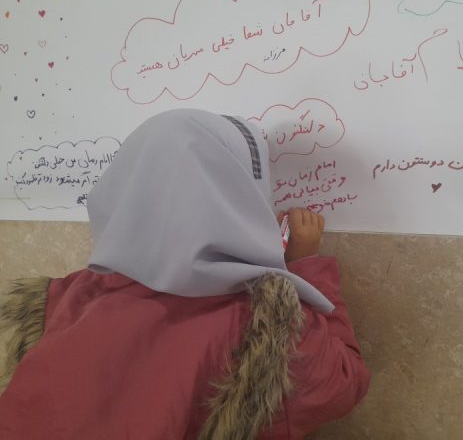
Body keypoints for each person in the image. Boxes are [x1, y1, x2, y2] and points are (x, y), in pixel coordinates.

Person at [0, 109, 370, 439]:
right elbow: (344, 381)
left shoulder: (72, 295)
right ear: (241, 195)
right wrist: (306, 264)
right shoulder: (264, 323)